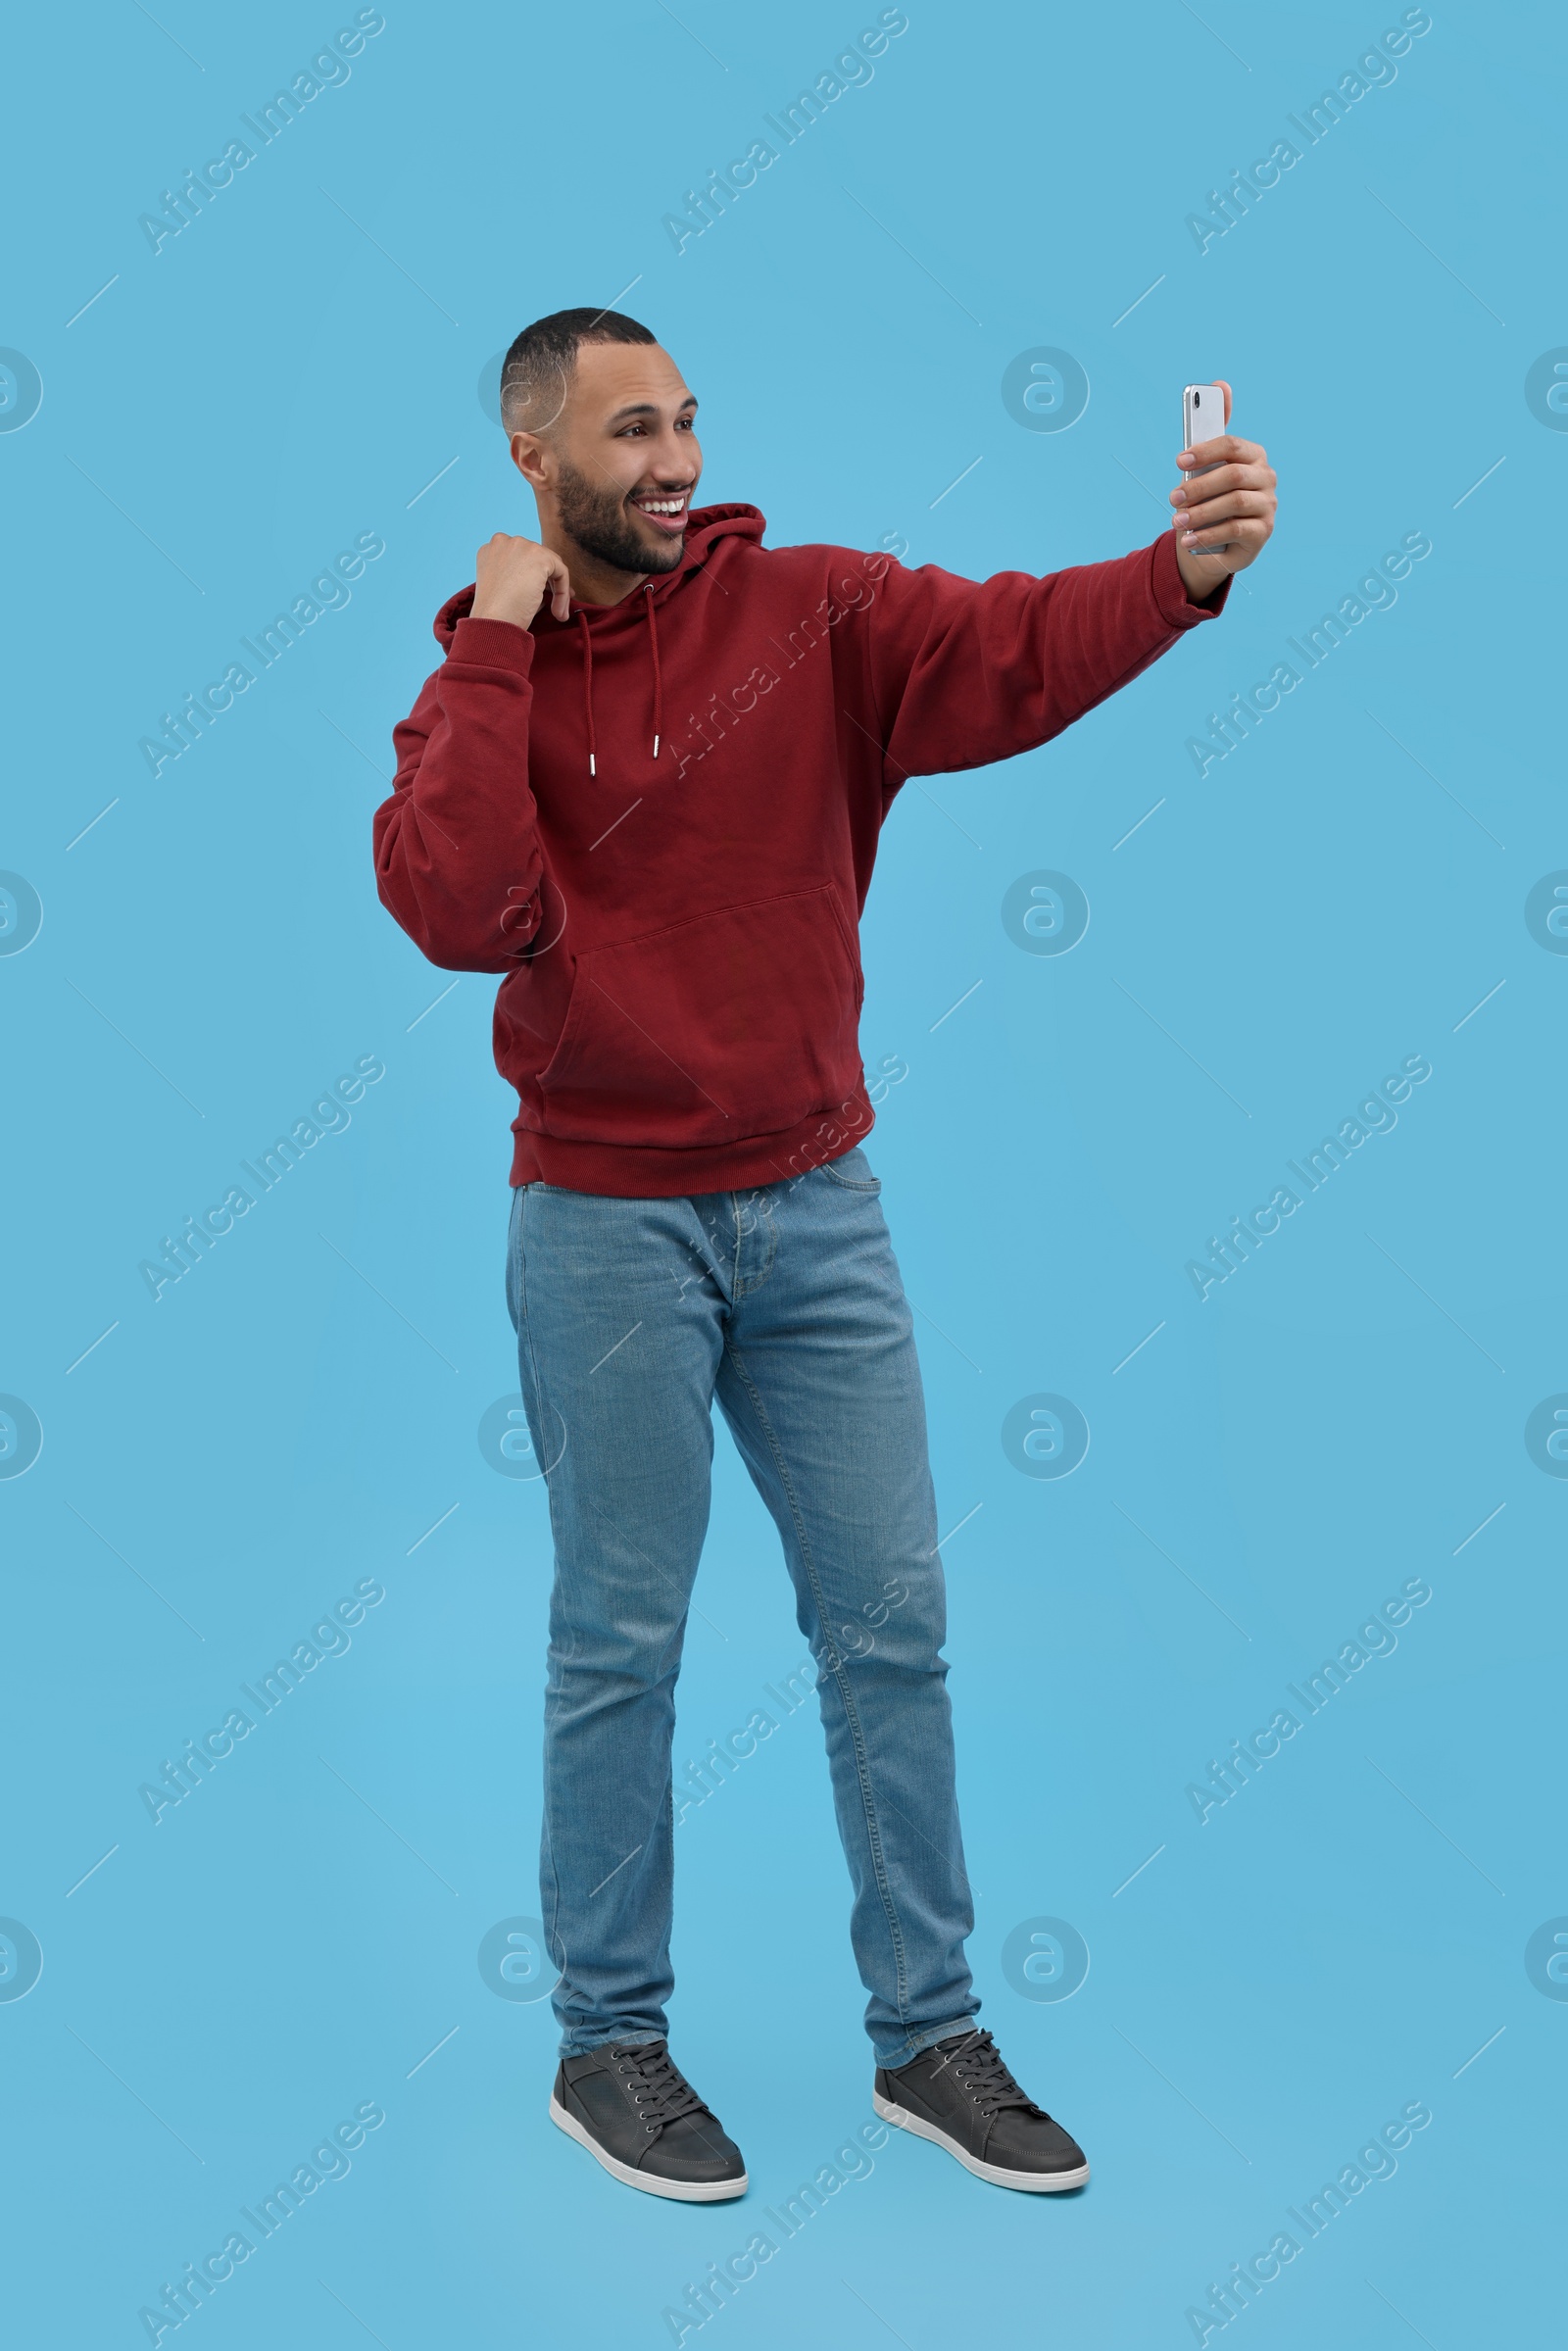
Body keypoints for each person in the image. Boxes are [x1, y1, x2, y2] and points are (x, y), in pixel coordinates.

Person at [373, 309, 1276, 2202]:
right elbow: (457, 905)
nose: (677, 459)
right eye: (633, 432)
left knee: (892, 1631)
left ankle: (928, 2038)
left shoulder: (815, 613)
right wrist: (492, 634)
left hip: (817, 1209)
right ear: (538, 466)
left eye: (689, 421)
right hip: (605, 1226)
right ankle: (608, 2048)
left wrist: (1182, 574)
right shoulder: (492, 677)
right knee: (617, 1646)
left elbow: (1017, 647)